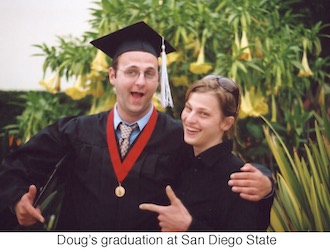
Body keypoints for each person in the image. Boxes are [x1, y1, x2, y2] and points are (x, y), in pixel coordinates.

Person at [0, 22, 273, 231]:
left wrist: (264, 181)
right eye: (131, 72)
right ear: (112, 76)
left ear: (158, 79)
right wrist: (16, 200)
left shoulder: (182, 136)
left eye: (149, 73)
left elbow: (220, 163)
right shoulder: (76, 131)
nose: (140, 82)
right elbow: (17, 165)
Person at [140, 75, 274, 231]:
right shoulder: (177, 154)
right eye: (189, 108)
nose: (190, 119)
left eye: (203, 114)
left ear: (226, 123)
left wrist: (189, 228)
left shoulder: (240, 181)